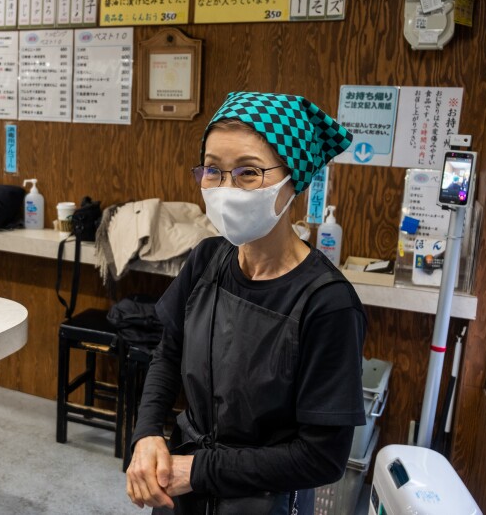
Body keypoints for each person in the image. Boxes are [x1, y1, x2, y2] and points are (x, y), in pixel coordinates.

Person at [125, 91, 367, 515]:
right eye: (213, 171)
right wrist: (147, 434)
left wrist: (198, 470)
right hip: (185, 491)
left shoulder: (327, 304)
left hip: (264, 502)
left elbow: (321, 457)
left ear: (296, 179)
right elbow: (168, 353)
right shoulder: (206, 259)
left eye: (248, 173)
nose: (225, 189)